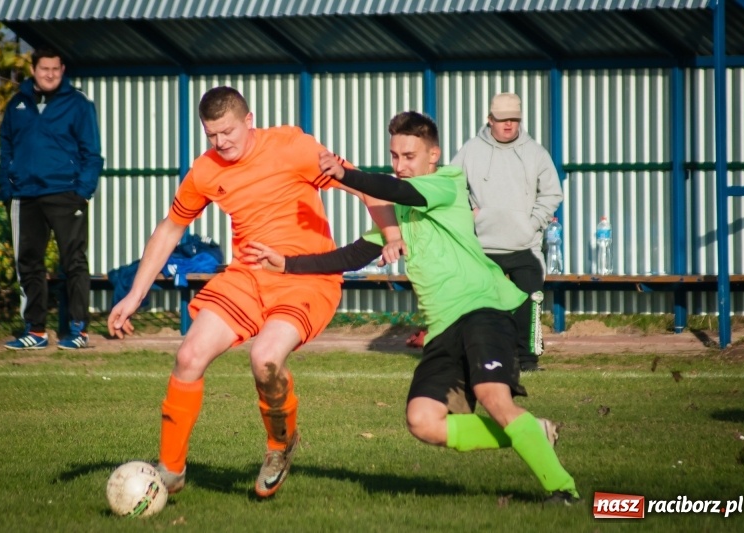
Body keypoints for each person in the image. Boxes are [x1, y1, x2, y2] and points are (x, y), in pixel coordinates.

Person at [242, 111, 580, 505]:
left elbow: (395, 190)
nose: (400, 166)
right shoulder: (397, 213)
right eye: (394, 156)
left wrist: (344, 174)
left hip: (483, 311)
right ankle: (532, 433)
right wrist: (287, 263)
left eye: (409, 156)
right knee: (423, 422)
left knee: (493, 397)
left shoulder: (447, 183)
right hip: (442, 329)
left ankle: (563, 490)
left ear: (433, 155)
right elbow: (352, 255)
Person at [106, 86, 400, 499]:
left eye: (227, 131)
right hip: (247, 276)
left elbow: (366, 186)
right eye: (211, 135)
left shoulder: (294, 147)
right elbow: (171, 227)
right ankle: (169, 472)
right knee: (188, 355)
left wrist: (391, 234)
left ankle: (280, 445)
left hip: (306, 278)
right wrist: (134, 295)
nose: (220, 142)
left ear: (249, 121)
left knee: (265, 359)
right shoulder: (206, 169)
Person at [0, 47, 103, 351]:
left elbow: (92, 154)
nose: (50, 74)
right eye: (44, 69)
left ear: (63, 69)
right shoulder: (16, 104)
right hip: (25, 195)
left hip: (66, 194)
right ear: (33, 69)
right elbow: (6, 148)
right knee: (28, 262)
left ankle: (78, 330)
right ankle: (36, 330)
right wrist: (9, 187)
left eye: (56, 69)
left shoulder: (79, 104)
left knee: (74, 262)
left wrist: (82, 191)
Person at [451, 93, 564, 371]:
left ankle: (528, 361)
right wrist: (470, 217)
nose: (508, 125)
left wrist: (532, 222)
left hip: (524, 245)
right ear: (490, 120)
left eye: (514, 119)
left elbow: (552, 193)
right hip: (481, 247)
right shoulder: (470, 151)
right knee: (478, 308)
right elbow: (452, 189)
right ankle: (477, 357)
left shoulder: (536, 153)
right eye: (502, 120)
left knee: (530, 305)